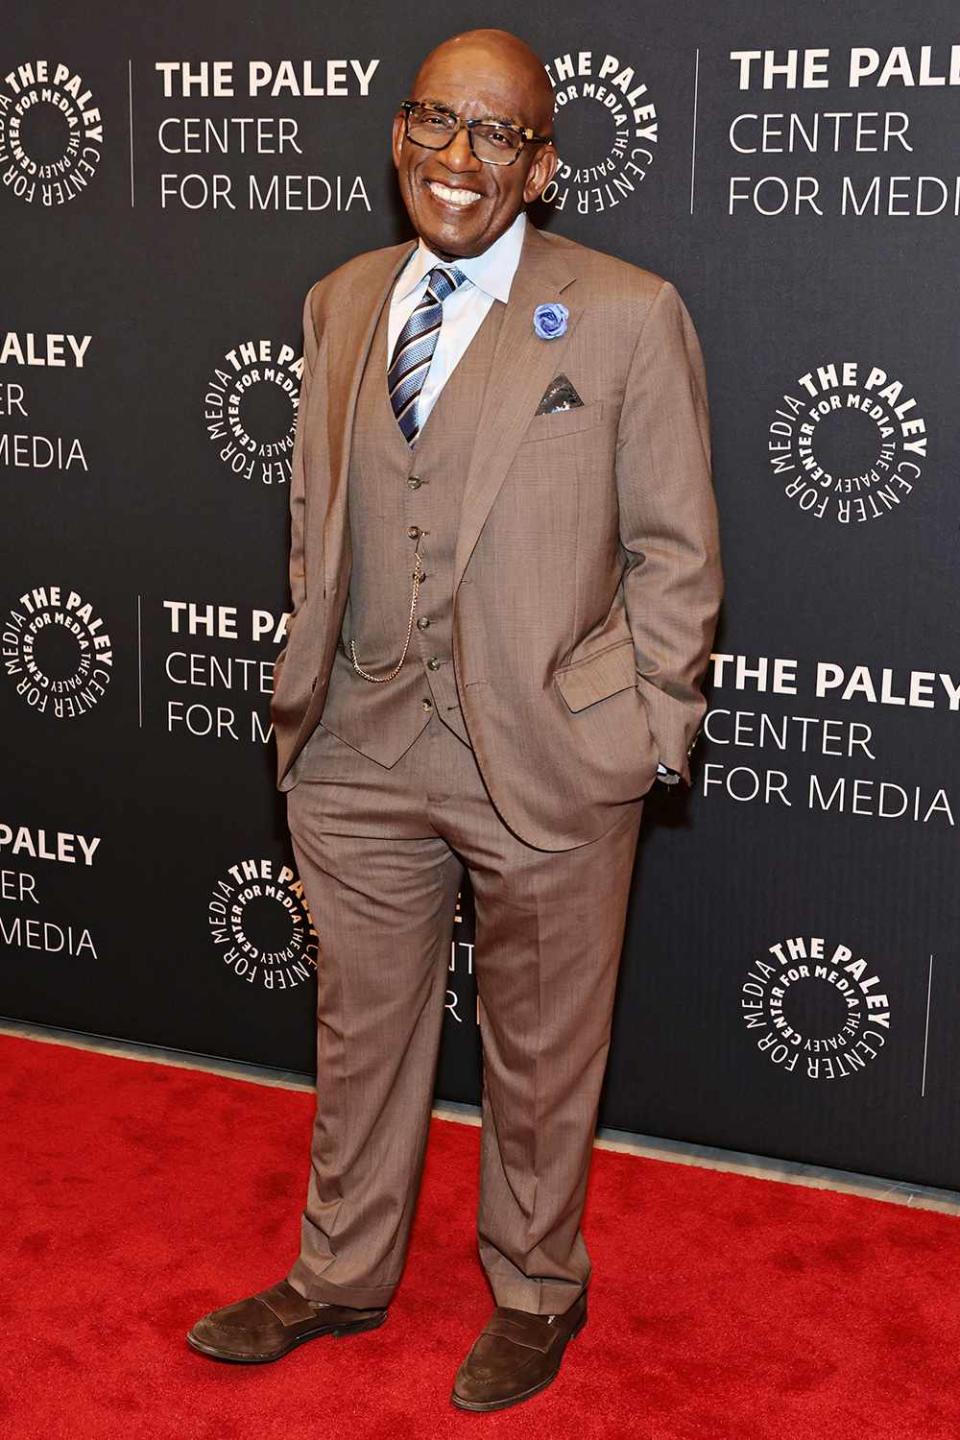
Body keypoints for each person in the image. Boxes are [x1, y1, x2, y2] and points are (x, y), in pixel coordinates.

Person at [187, 26, 723, 1413]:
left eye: (497, 136)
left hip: (547, 756)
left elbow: (677, 556)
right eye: (437, 122)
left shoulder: (623, 313)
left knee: (545, 1049)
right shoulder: (343, 299)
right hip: (360, 743)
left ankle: (539, 1286)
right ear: (398, 138)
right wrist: (314, 663)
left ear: (542, 167)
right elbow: (320, 511)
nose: (460, 158)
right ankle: (338, 1273)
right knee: (362, 1031)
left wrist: (634, 732)